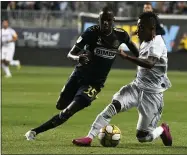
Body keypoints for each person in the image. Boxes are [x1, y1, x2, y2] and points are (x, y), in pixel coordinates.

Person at [24, 6, 139, 140]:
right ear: (99, 20)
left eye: (108, 20)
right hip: (78, 75)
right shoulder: (90, 32)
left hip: (94, 84)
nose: (105, 23)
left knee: (68, 111)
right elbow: (70, 54)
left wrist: (144, 66)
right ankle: (79, 99)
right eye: (103, 20)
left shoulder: (121, 35)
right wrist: (78, 58)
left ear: (113, 20)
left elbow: (137, 53)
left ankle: (34, 132)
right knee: (60, 105)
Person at [73, 12, 172, 147]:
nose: (138, 31)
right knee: (113, 106)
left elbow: (149, 63)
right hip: (137, 87)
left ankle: (162, 130)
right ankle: (89, 137)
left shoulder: (157, 44)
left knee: (143, 137)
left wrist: (126, 57)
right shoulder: (146, 40)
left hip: (153, 95)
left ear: (152, 29)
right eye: (138, 26)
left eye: (141, 27)